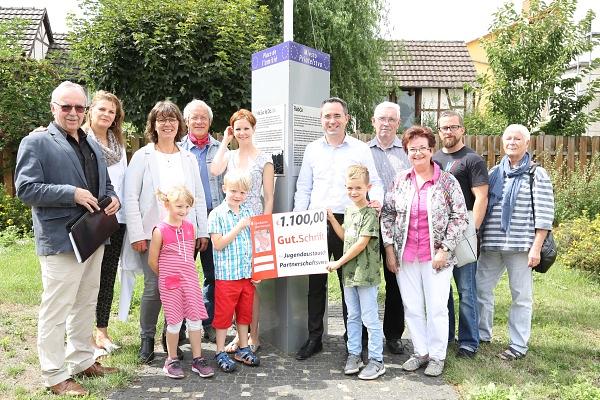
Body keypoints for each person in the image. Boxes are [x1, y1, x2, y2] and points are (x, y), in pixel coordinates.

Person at [14, 81, 120, 396]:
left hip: (92, 235)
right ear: (53, 108)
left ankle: (82, 360)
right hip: (61, 240)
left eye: (79, 107)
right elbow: (26, 189)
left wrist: (113, 197)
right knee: (57, 308)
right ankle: (54, 374)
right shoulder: (36, 142)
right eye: (66, 106)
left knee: (86, 301)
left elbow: (105, 183)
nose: (73, 112)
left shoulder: (91, 142)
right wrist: (71, 193)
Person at [294, 97, 384, 361]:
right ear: (321, 119)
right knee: (316, 285)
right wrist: (299, 221)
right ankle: (314, 338)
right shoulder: (312, 149)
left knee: (350, 284)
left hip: (351, 222)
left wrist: (376, 201)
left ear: (346, 118)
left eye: (337, 116)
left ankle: (352, 340)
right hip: (315, 222)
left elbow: (375, 182)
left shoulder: (360, 149)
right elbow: (304, 187)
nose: (331, 121)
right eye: (327, 116)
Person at [123, 100, 209, 364]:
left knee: (180, 287)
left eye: (172, 119)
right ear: (154, 125)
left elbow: (198, 196)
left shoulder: (188, 158)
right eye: (161, 120)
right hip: (152, 235)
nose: (167, 124)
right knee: (154, 288)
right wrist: (137, 234)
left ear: (179, 124)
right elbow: (130, 197)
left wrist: (202, 231)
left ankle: (169, 337)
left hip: (183, 236)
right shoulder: (143, 156)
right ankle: (146, 338)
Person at [381, 126, 467, 377]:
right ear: (406, 152)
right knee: (412, 306)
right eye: (412, 149)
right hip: (405, 256)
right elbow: (388, 215)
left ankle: (437, 356)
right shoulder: (400, 180)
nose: (417, 153)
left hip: (437, 257)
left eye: (422, 148)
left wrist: (445, 249)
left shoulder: (446, 181)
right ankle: (421, 352)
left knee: (437, 307)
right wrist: (389, 249)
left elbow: (459, 216)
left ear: (431, 150)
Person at [477, 124, 554, 361]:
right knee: (481, 289)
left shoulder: (536, 174)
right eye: (508, 138)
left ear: (527, 143)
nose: (512, 142)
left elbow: (545, 215)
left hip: (521, 246)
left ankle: (518, 344)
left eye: (517, 139)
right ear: (503, 143)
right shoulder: (493, 172)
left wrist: (536, 248)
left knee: (521, 296)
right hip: (491, 244)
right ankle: (482, 334)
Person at [210, 109, 275, 353]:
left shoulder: (264, 159)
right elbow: (215, 170)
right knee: (235, 282)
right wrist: (225, 141)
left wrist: (263, 230)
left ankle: (253, 336)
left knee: (251, 284)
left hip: (254, 223)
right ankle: (240, 336)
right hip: (231, 222)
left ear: (253, 129)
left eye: (246, 128)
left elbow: (269, 197)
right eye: (238, 129)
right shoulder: (230, 155)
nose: (242, 133)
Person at [432, 110, 489, 358]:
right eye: (444, 128)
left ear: (462, 130)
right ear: (439, 131)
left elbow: (481, 197)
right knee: (442, 290)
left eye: (453, 127)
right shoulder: (434, 159)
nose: (449, 131)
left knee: (466, 291)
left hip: (464, 231)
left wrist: (472, 231)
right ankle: (445, 337)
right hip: (439, 234)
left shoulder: (472, 160)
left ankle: (468, 342)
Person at [148, 186, 214, 379]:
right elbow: (152, 260)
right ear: (167, 205)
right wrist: (167, 276)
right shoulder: (160, 231)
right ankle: (171, 359)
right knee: (175, 322)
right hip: (170, 284)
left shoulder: (190, 228)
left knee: (195, 320)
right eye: (179, 206)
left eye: (186, 206)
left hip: (190, 281)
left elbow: (189, 256)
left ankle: (198, 359)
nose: (183, 210)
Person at [326, 165, 385, 380]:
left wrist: (338, 262)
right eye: (349, 188)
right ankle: (354, 354)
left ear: (368, 187)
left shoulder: (370, 213)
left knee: (370, 318)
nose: (353, 192)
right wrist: (333, 220)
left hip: (366, 275)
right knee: (353, 316)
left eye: (358, 188)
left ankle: (377, 360)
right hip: (350, 275)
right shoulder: (349, 211)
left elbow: (361, 244)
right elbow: (346, 237)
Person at [82, 90, 128, 356]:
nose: (107, 115)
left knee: (107, 277)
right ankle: (83, 335)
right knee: (87, 279)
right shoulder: (80, 140)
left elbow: (123, 181)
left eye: (112, 111)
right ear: (91, 111)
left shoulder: (117, 144)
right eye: (102, 109)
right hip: (90, 219)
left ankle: (102, 331)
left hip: (116, 219)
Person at [179, 99, 225, 344]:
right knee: (182, 275)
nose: (199, 121)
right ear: (186, 121)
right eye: (194, 117)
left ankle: (208, 322)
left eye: (203, 118)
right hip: (184, 219)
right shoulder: (176, 149)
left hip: (213, 217)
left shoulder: (221, 149)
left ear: (210, 121)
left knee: (213, 274)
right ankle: (179, 325)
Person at [207, 170, 260, 372]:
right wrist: (239, 227)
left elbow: (256, 243)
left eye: (242, 192)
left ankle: (243, 348)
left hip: (246, 275)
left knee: (245, 313)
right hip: (227, 276)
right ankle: (220, 351)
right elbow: (218, 244)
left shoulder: (248, 212)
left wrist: (257, 271)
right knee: (224, 315)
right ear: (224, 189)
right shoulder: (217, 214)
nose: (238, 195)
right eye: (233, 191)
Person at [368, 101, 410, 355]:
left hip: (398, 226)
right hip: (369, 225)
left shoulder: (407, 152)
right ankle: (365, 333)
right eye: (381, 119)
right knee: (367, 281)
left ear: (398, 123)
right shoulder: (362, 151)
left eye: (391, 119)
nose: (386, 123)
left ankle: (393, 335)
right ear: (373, 121)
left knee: (395, 281)